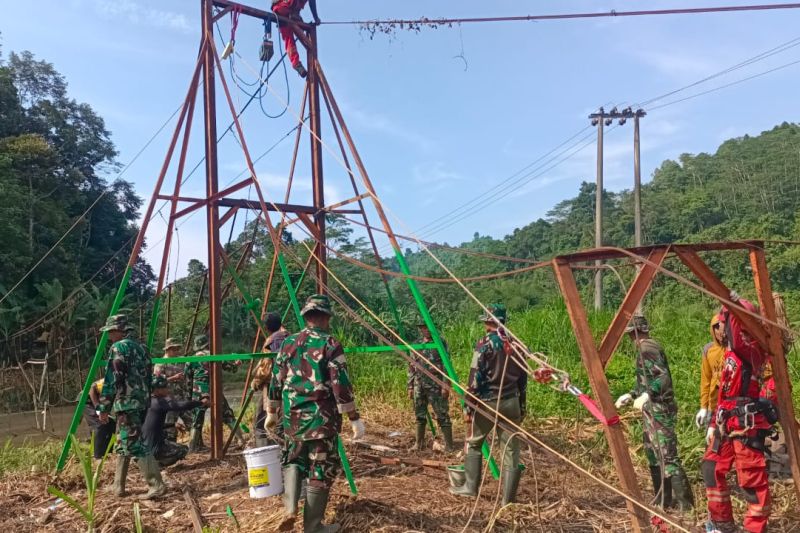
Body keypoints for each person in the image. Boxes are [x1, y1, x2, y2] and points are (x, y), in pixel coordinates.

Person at [267, 294, 364, 533]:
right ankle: (313, 526)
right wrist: (354, 418)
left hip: (293, 421)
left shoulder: (288, 342)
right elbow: (341, 386)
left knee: (293, 461)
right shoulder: (330, 344)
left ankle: (290, 509)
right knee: (320, 470)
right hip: (321, 421)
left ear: (306, 316)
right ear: (325, 317)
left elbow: (275, 380)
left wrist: (271, 411)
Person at [702, 293, 776, 533]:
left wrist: (730, 302)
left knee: (751, 481)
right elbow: (724, 393)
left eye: (723, 323)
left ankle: (754, 529)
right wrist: (713, 420)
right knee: (711, 468)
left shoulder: (752, 348)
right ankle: (722, 524)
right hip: (727, 417)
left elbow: (736, 327)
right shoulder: (731, 353)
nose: (721, 330)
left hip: (745, 422)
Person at [615, 315, 694, 511]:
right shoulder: (644, 348)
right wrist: (633, 394)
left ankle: (686, 505)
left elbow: (663, 378)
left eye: (631, 335)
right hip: (651, 409)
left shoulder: (647, 348)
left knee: (667, 455)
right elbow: (646, 379)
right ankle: (663, 499)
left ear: (635, 332)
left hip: (660, 409)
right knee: (653, 453)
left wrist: (647, 395)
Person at [451, 304, 527, 506]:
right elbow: (523, 379)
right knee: (511, 449)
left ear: (489, 321)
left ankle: (470, 487)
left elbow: (475, 378)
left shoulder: (484, 344)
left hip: (488, 403)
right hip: (511, 401)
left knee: (475, 442)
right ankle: (507, 500)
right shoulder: (517, 345)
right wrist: (522, 406)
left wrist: (468, 407)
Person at [96, 314, 166, 499]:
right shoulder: (142, 348)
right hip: (142, 402)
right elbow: (149, 376)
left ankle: (156, 485)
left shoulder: (118, 347)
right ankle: (118, 486)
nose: (109, 336)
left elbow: (112, 379)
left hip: (126, 403)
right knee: (123, 442)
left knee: (133, 444)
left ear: (119, 330)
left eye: (111, 332)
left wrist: (103, 408)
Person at [184, 334, 244, 452]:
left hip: (199, 393)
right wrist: (237, 363)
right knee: (228, 415)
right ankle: (241, 440)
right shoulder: (215, 356)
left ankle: (191, 448)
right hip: (215, 390)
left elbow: (187, 379)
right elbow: (232, 368)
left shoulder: (191, 359)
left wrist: (188, 396)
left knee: (197, 420)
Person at [407, 321, 454, 452]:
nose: (426, 330)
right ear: (420, 329)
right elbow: (411, 365)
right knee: (419, 414)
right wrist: (410, 386)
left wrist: (446, 385)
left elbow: (446, 365)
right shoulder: (416, 344)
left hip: (436, 384)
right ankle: (419, 444)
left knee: (442, 414)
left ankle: (449, 446)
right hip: (419, 384)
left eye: (427, 327)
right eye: (423, 327)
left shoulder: (440, 342)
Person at [142, 375, 207, 468]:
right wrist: (201, 402)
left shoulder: (149, 401)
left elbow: (153, 425)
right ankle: (157, 464)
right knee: (183, 449)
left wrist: (173, 424)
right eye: (164, 387)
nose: (167, 389)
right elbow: (180, 405)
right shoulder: (160, 402)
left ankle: (151, 461)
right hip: (153, 449)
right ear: (157, 390)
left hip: (143, 447)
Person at [251, 312, 290, 448]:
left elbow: (266, 367)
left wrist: (256, 381)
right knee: (286, 417)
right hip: (291, 385)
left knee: (261, 420)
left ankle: (266, 450)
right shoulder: (291, 338)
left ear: (266, 327)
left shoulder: (271, 341)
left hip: (273, 385)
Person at [153, 338, 192, 442]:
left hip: (181, 398)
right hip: (169, 399)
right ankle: (170, 448)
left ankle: (195, 444)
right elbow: (156, 381)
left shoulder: (180, 361)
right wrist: (173, 378)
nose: (176, 352)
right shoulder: (161, 363)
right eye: (174, 349)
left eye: (177, 349)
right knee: (170, 427)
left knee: (191, 421)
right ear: (167, 350)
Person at [271, 0, 320, 78]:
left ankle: (296, 64)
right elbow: (312, 2)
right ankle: (294, 14)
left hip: (280, 10)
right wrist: (316, 18)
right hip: (285, 7)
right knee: (289, 37)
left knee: (288, 39)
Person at [696, 315, 726, 435]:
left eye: (722, 328)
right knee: (712, 441)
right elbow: (706, 380)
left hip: (729, 402)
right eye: (717, 328)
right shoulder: (708, 350)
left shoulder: (733, 348)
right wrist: (703, 407)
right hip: (713, 403)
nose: (720, 332)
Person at [84, 377, 116, 459]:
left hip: (100, 401)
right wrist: (99, 409)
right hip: (87, 399)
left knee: (111, 424)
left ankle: (107, 453)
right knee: (99, 424)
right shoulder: (112, 380)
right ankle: (97, 456)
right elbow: (92, 389)